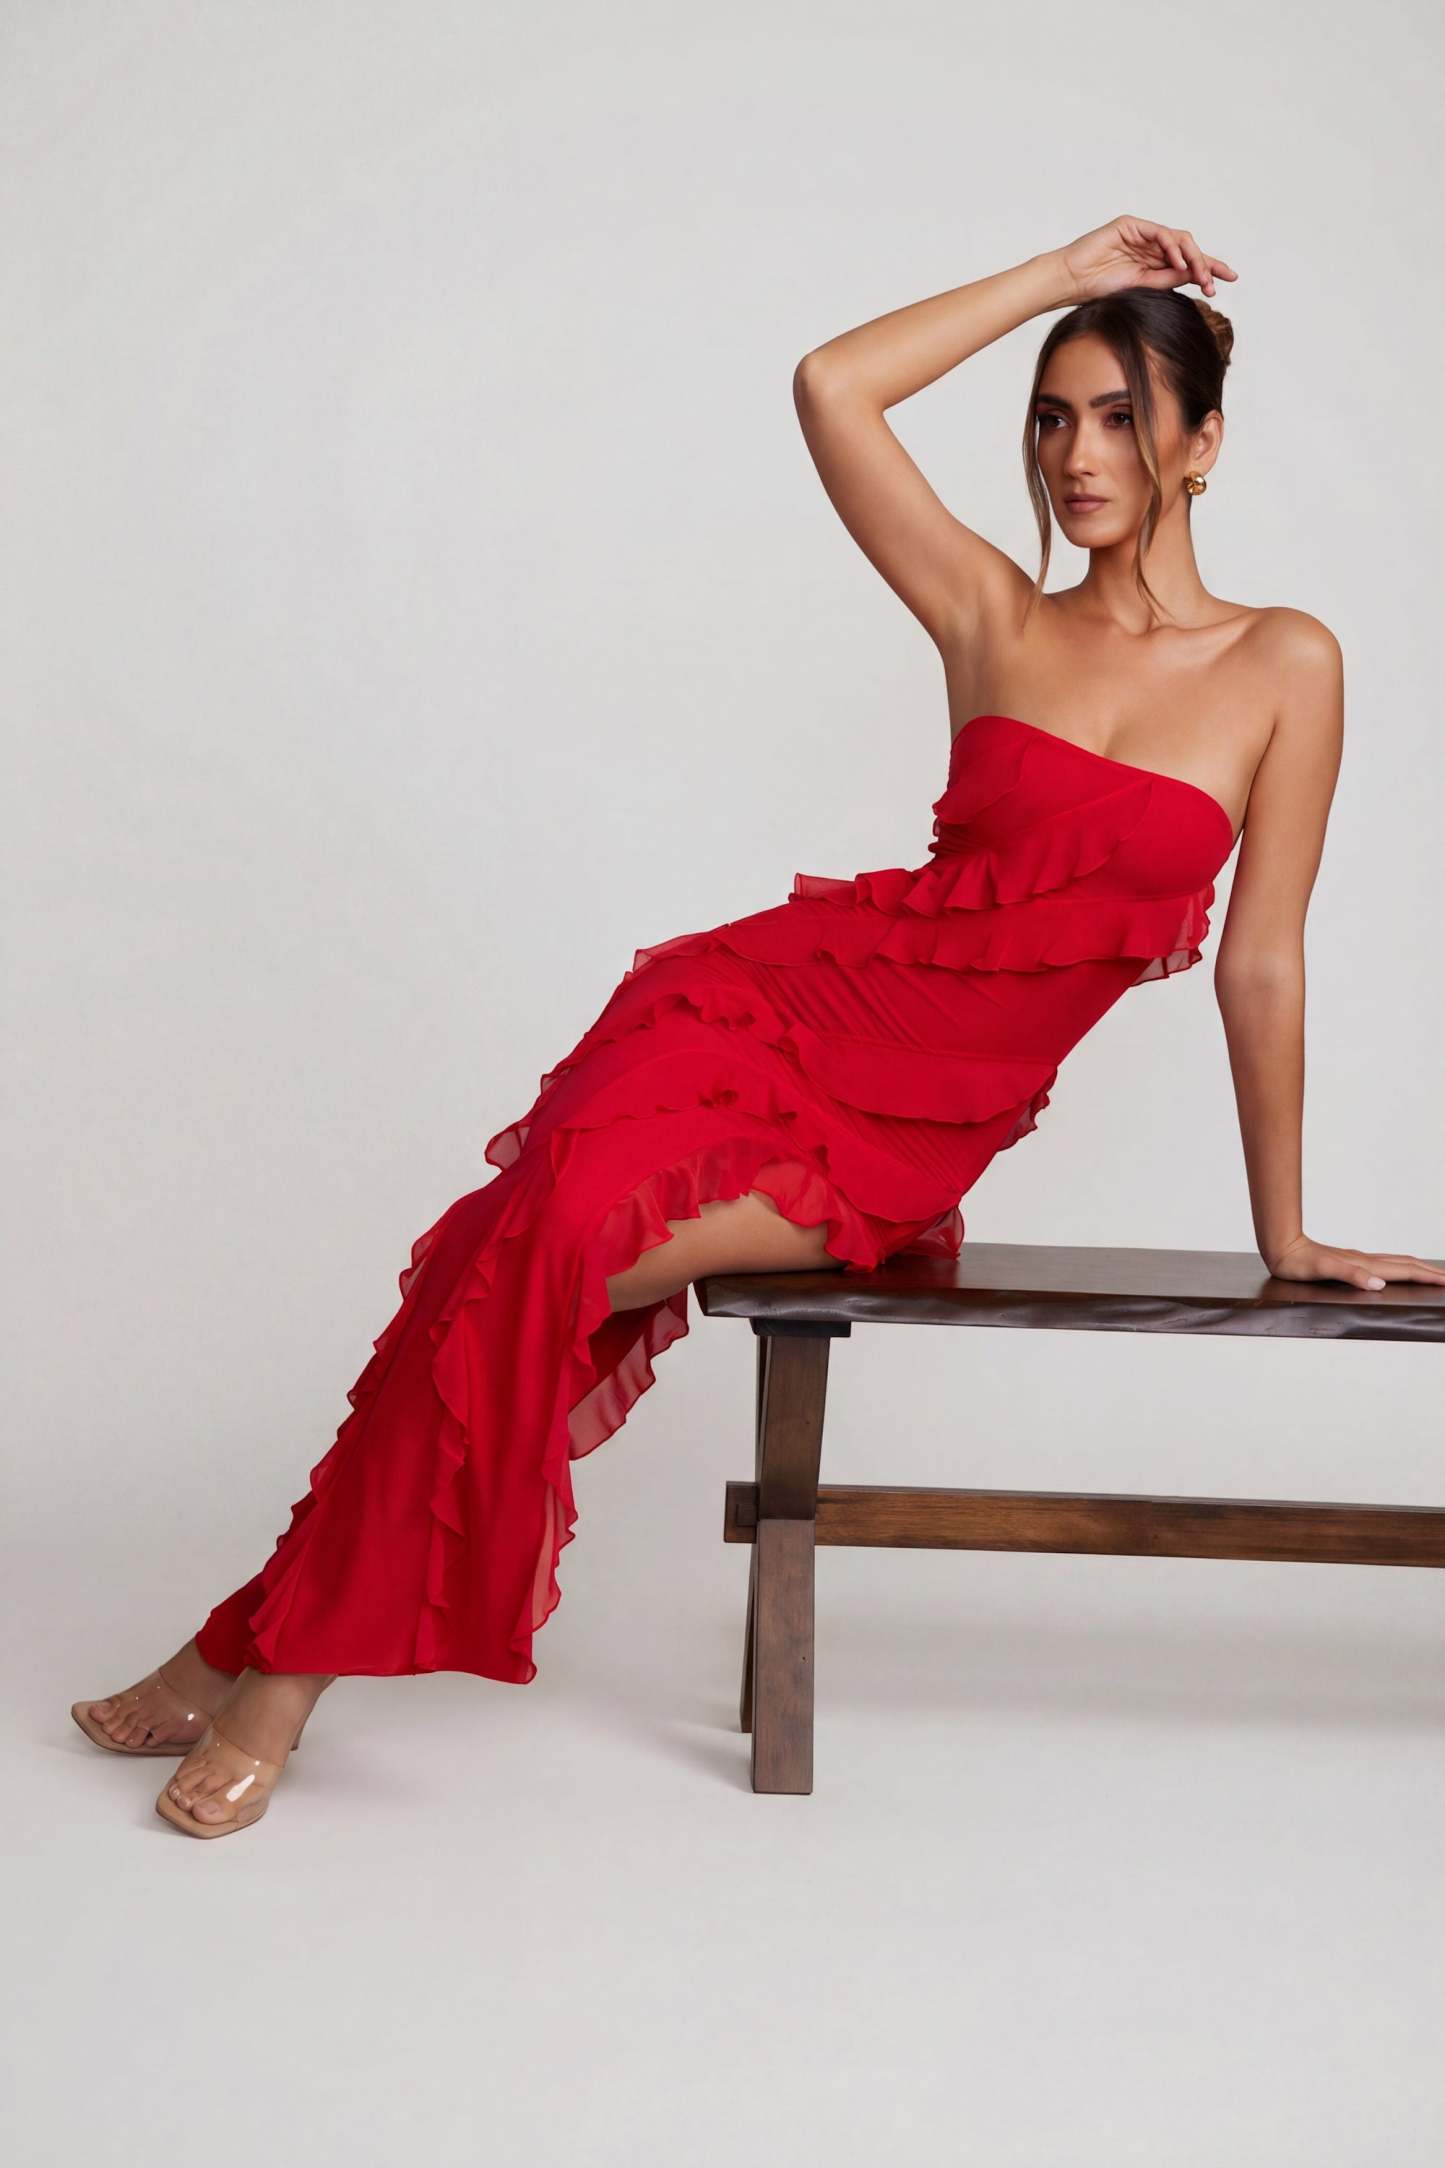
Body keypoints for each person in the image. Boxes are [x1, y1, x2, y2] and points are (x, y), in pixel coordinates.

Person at [72, 212, 1445, 1837]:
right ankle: (276, 1670)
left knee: (530, 1246)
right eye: (1051, 417)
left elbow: (1260, 964)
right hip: (763, 1005)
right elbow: (831, 385)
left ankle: (249, 1654)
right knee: (524, 1238)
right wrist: (1061, 277)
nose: (1079, 456)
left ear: (1201, 444)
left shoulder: (1284, 663)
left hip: (894, 1134)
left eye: (1121, 418)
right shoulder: (994, 617)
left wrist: (1284, 1231)